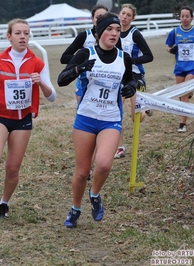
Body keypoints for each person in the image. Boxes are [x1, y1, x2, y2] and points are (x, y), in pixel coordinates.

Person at [57, 13, 136, 228]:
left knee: (103, 163)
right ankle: (75, 208)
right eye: (109, 29)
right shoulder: (85, 53)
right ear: (100, 32)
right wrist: (79, 68)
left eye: (118, 30)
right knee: (82, 172)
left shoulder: (124, 57)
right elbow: (62, 80)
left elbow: (131, 79)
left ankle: (95, 195)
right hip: (86, 118)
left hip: (110, 119)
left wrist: (131, 86)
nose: (114, 33)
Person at [0, 18, 56, 218]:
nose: (23, 37)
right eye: (18, 33)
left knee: (13, 168)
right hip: (0, 116)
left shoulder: (37, 62)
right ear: (9, 36)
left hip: (23, 120)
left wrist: (41, 84)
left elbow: (52, 96)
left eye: (26, 33)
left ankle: (4, 203)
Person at [60, 4, 122, 103]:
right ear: (92, 19)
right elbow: (64, 58)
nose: (101, 20)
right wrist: (84, 60)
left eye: (105, 17)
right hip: (85, 80)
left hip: (108, 80)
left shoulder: (113, 37)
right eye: (98, 17)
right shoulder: (84, 35)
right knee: (84, 110)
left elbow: (120, 59)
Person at [115, 3, 154, 159]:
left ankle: (145, 107)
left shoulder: (135, 34)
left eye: (128, 15)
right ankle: (120, 147)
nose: (124, 17)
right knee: (116, 112)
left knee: (134, 117)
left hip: (135, 76)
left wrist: (131, 61)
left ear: (132, 18)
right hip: (119, 76)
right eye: (123, 13)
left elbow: (149, 56)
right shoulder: (114, 32)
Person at [165, 5, 194, 133]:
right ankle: (189, 93)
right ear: (179, 17)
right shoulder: (174, 32)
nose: (184, 18)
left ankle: (182, 123)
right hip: (179, 67)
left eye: (187, 16)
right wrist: (171, 50)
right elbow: (168, 47)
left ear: (192, 17)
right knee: (181, 95)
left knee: (184, 95)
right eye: (182, 16)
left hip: (193, 67)